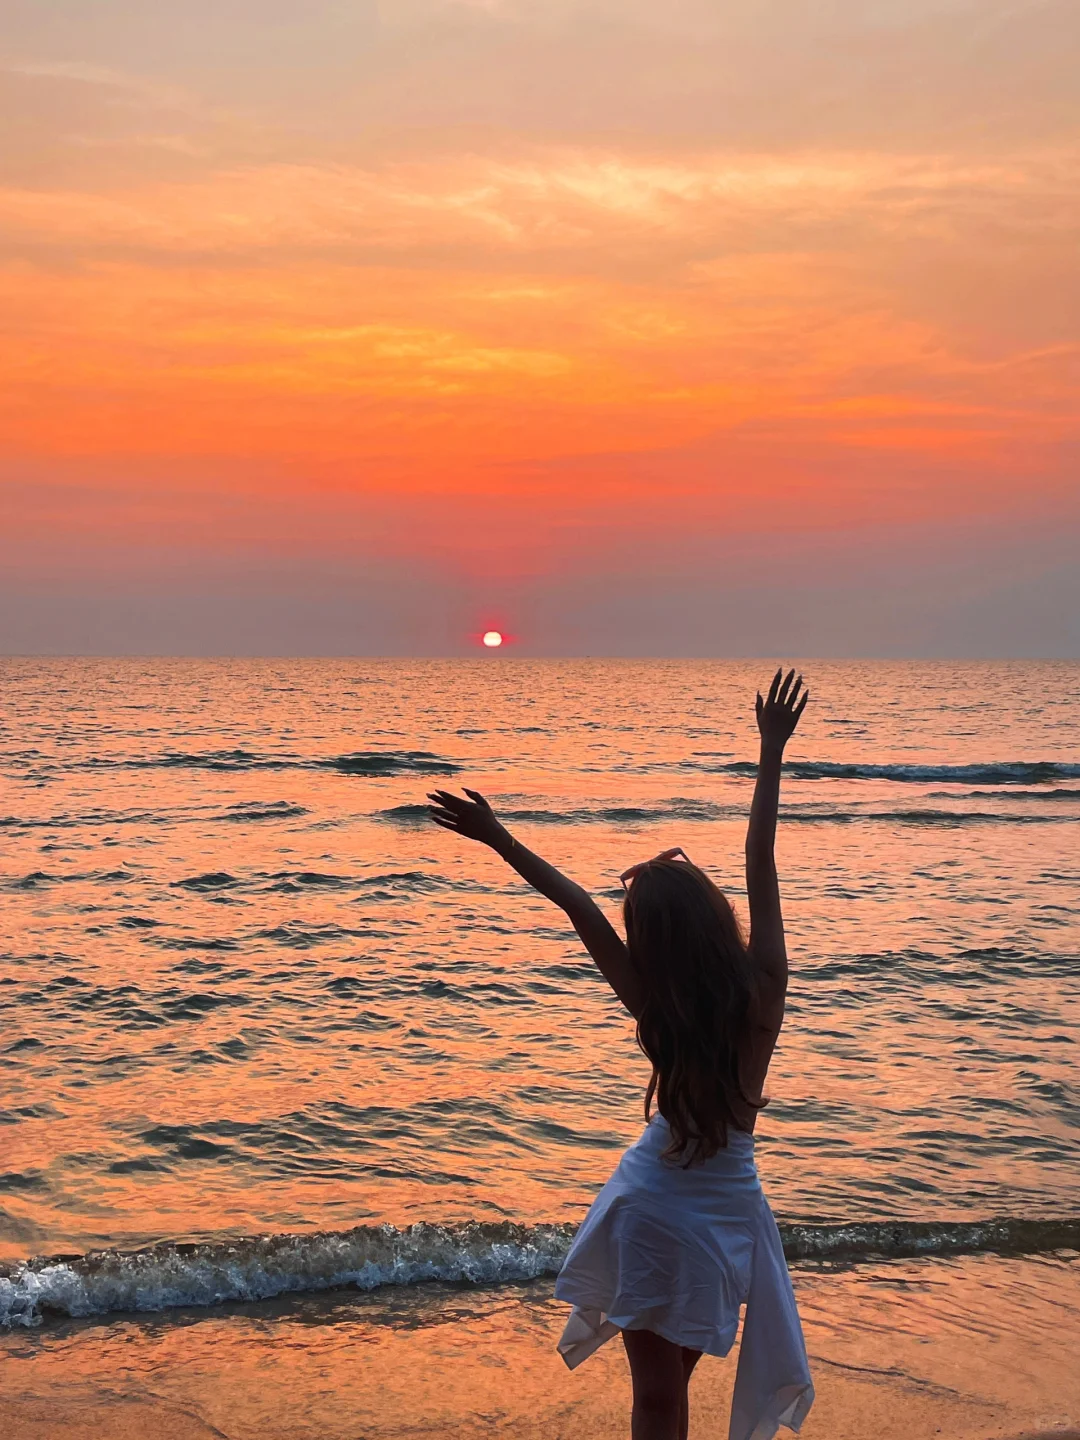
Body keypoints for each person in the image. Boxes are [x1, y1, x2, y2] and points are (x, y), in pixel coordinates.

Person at [427, 668, 814, 1440]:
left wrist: (499, 836)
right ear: (712, 919)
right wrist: (771, 752)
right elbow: (760, 862)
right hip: (728, 1208)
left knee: (658, 1395)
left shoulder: (655, 1004)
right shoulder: (761, 994)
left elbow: (575, 902)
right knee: (672, 1389)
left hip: (655, 1204)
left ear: (653, 943)